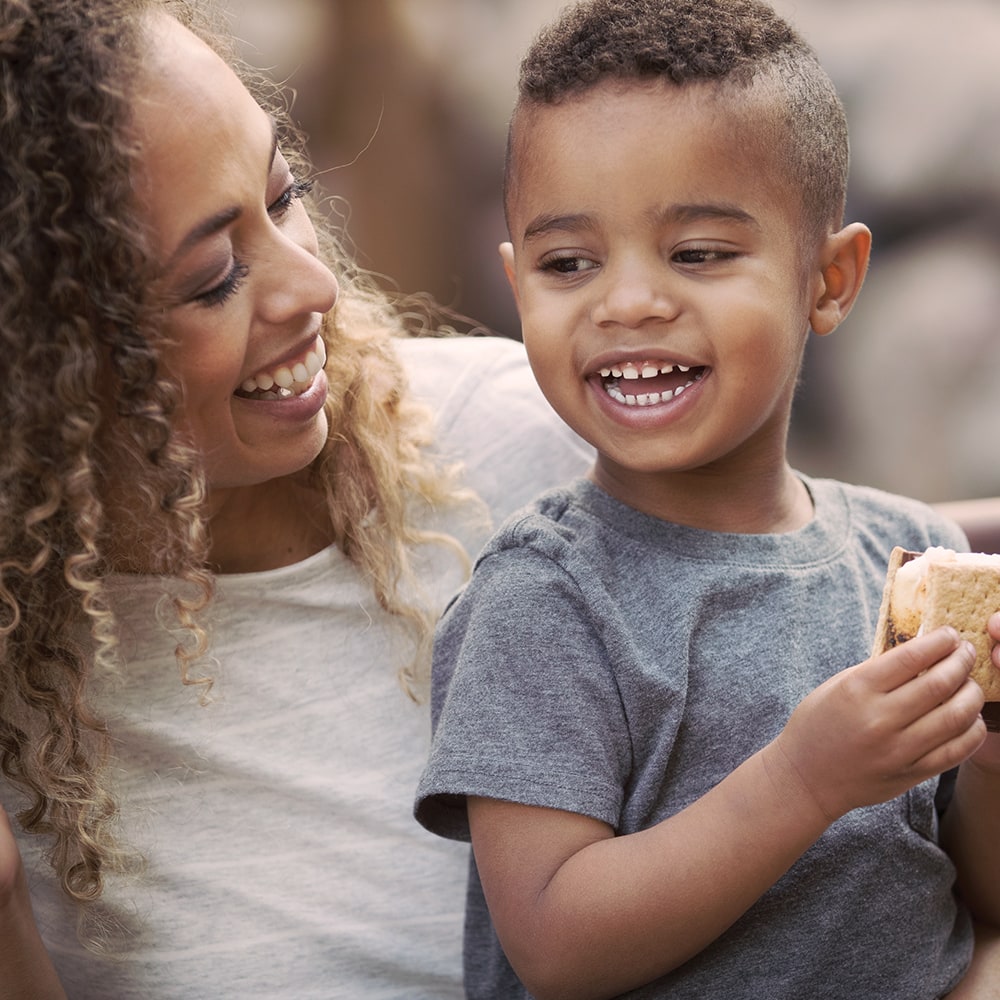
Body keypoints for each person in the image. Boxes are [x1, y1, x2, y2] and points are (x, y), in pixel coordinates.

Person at [0, 0, 594, 996]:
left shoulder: (534, 446)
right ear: (39, 371)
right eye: (213, 278)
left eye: (285, 195)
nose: (315, 285)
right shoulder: (29, 694)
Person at [414, 1, 1000, 997]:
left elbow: (972, 894)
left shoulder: (911, 560)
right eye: (568, 264)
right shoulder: (543, 603)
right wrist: (805, 781)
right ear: (519, 289)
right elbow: (556, 945)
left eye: (697, 254)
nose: (627, 301)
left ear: (828, 277)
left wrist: (986, 764)